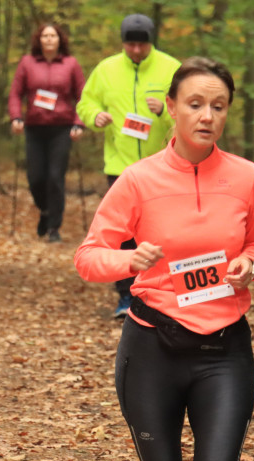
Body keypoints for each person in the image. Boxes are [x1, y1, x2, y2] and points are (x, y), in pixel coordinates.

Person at [74, 56, 254, 461]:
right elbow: (89, 256)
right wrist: (126, 260)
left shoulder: (247, 177)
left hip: (223, 350)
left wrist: (247, 266)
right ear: (173, 110)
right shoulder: (138, 181)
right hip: (152, 347)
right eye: (195, 104)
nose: (207, 115)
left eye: (218, 106)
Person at [76, 13, 180, 318]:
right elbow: (85, 103)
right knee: (124, 234)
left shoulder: (171, 68)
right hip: (119, 165)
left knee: (162, 231)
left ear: (151, 42)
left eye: (142, 44)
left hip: (162, 165)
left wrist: (164, 111)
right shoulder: (106, 69)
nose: (136, 50)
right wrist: (94, 117)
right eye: (130, 44)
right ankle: (125, 296)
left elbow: (189, 106)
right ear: (123, 43)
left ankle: (162, 292)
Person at [8, 22, 86, 243]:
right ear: (39, 40)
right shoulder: (27, 63)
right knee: (35, 178)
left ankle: (54, 227)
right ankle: (44, 210)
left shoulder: (71, 64)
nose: (49, 40)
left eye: (53, 36)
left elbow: (83, 96)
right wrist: (16, 117)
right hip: (34, 128)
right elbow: (15, 93)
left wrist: (79, 123)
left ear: (60, 40)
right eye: (45, 36)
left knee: (55, 177)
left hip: (62, 129)